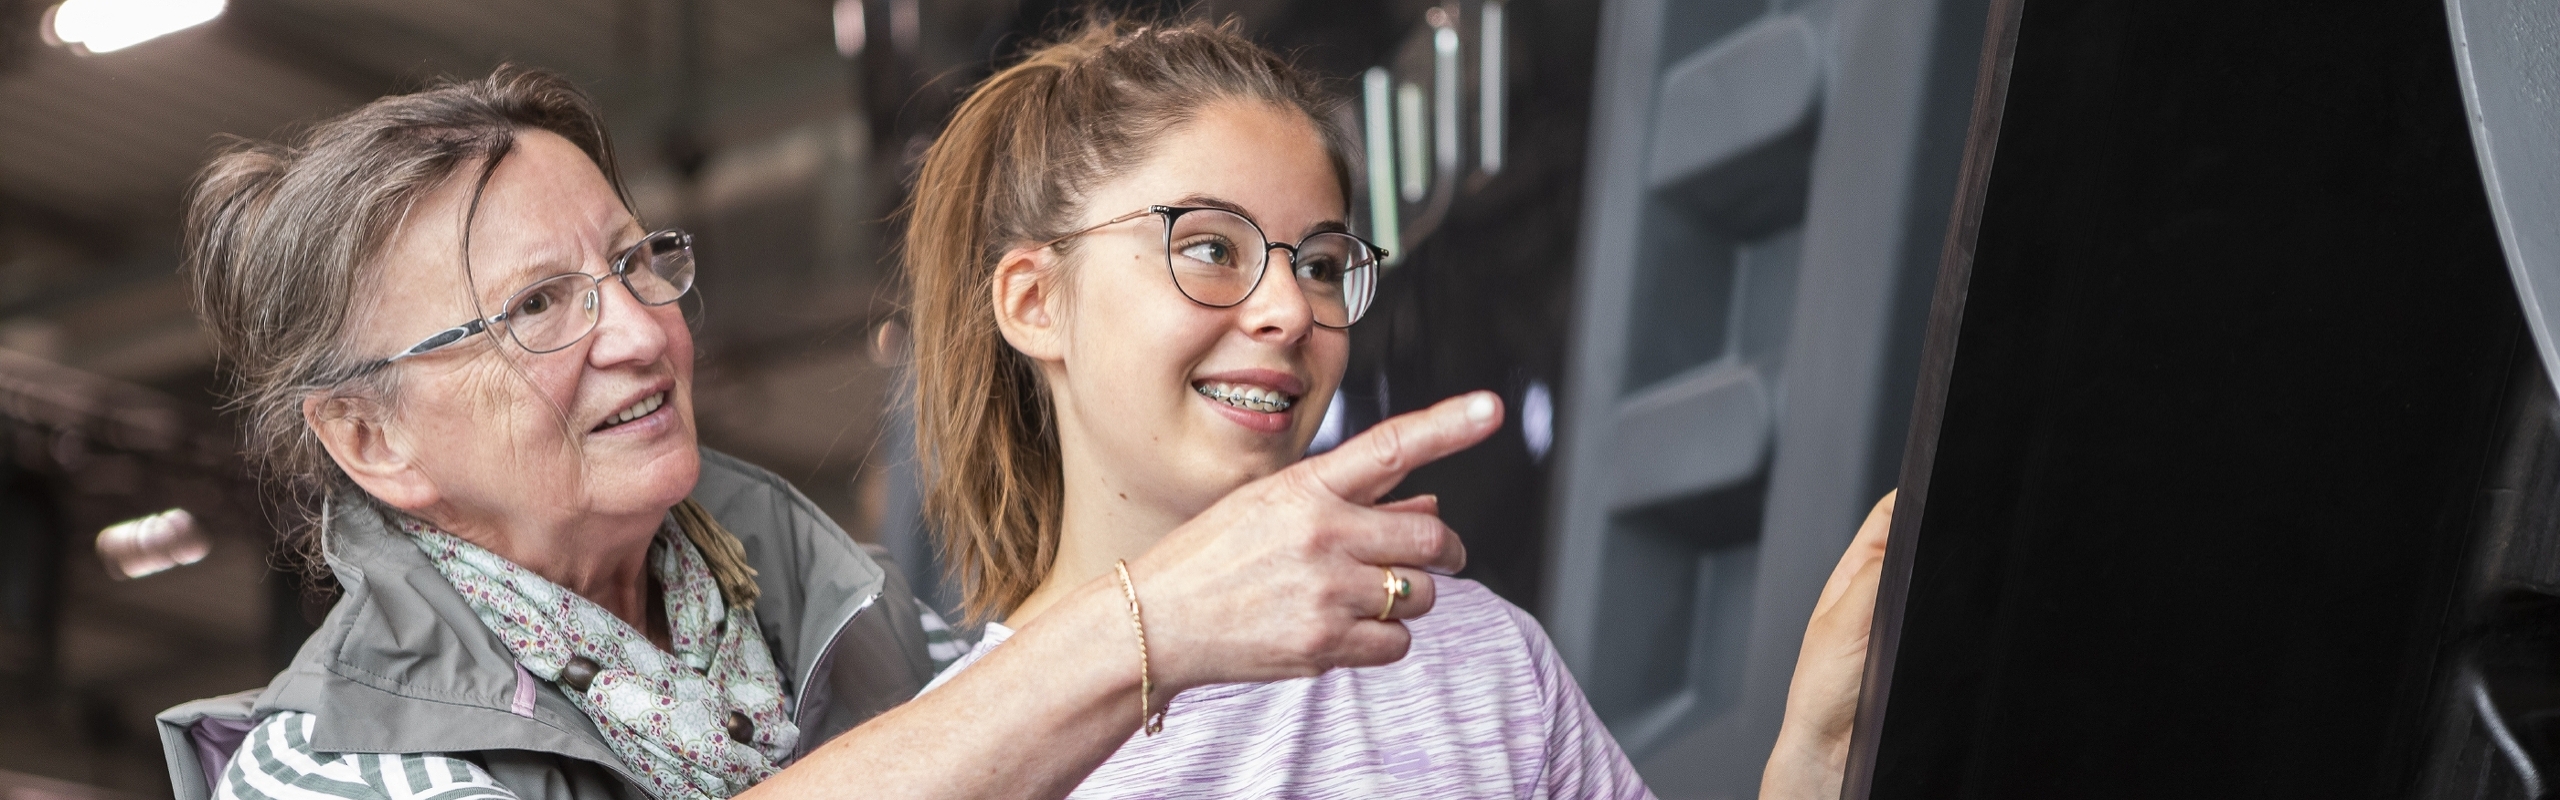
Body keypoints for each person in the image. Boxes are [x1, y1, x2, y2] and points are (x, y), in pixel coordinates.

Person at [149, 43, 1883, 800]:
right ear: (368, 442)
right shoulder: (337, 773)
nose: (640, 328)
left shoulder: (861, 670)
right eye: (535, 307)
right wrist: (1156, 631)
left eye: (636, 260)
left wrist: (1809, 768)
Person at [896, 17, 1896, 799]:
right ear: (1034, 301)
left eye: (1323, 264)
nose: (1292, 309)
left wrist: (1808, 764)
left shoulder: (1477, 653)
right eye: (1209, 248)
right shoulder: (963, 751)